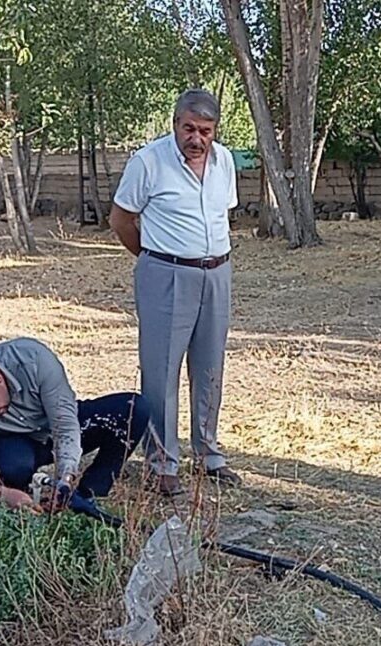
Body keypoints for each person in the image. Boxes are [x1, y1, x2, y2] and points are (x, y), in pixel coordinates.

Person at [108, 89, 242, 496]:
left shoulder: (226, 162)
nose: (196, 138)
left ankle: (208, 454)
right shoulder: (148, 162)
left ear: (215, 130)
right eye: (189, 128)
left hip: (216, 273)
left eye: (205, 130)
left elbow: (222, 215)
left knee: (209, 367)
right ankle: (162, 463)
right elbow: (121, 220)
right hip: (166, 273)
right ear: (175, 123)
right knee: (162, 370)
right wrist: (154, 259)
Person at [0, 337, 149, 515]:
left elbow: (65, 425)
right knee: (12, 467)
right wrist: (3, 495)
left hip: (54, 424)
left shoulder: (32, 358)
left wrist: (65, 478)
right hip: (14, 445)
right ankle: (24, 505)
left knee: (133, 409)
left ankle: (89, 495)